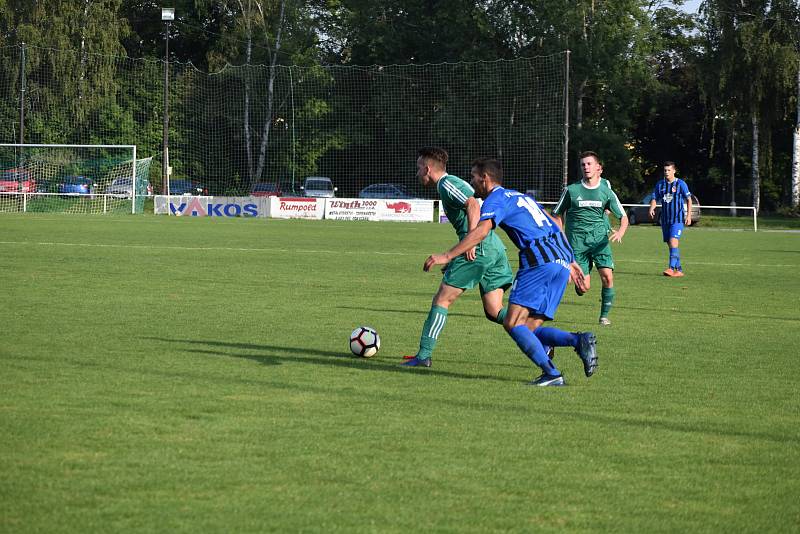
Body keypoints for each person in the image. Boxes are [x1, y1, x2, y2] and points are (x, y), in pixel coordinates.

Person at [423, 158, 598, 386]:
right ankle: (579, 340)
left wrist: (447, 255)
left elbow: (482, 231)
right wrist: (572, 261)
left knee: (513, 323)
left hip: (538, 263)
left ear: (484, 178)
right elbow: (555, 223)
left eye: (473, 176)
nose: (471, 181)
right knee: (528, 328)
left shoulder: (495, 199)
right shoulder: (521, 196)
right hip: (560, 264)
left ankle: (553, 373)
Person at [402, 147, 514, 368]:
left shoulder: (447, 183)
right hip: (492, 248)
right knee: (494, 311)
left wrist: (467, 242)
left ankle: (423, 356)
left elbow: (473, 204)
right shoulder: (446, 186)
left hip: (478, 248)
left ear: (427, 168)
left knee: (442, 299)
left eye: (418, 168)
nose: (417, 173)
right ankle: (539, 336)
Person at [550, 151, 628, 326]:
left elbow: (623, 217)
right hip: (578, 243)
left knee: (607, 277)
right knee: (583, 287)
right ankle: (582, 278)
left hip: (600, 242)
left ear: (597, 167)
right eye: (583, 164)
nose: (586, 167)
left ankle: (604, 317)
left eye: (589, 164)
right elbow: (556, 214)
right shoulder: (571, 190)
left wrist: (621, 232)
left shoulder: (606, 191)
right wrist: (560, 235)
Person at [648, 161, 693, 277]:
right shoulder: (660, 184)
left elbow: (689, 199)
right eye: (665, 170)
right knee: (671, 245)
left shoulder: (681, 184)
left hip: (677, 219)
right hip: (665, 219)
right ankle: (679, 270)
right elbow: (654, 198)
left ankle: (670, 268)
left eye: (669, 170)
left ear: (674, 171)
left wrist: (688, 216)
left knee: (673, 242)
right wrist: (651, 208)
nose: (666, 172)